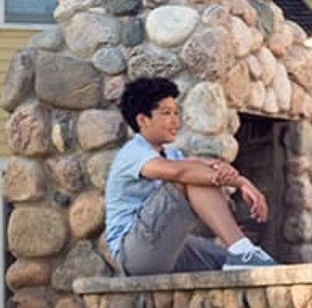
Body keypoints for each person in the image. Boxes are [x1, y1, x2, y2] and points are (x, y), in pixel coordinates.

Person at [104, 77, 276, 275]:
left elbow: (200, 165)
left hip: (163, 246)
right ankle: (242, 249)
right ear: (143, 120)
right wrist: (241, 182)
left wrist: (221, 169)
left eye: (176, 112)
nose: (175, 121)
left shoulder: (171, 154)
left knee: (225, 262)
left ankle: (244, 253)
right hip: (133, 254)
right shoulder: (133, 151)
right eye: (166, 113)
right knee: (190, 177)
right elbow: (181, 172)